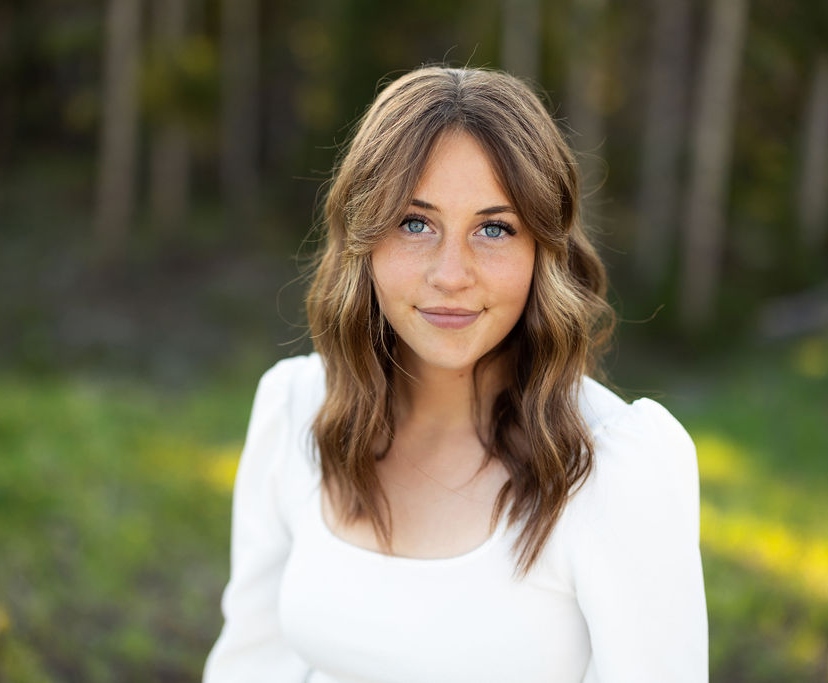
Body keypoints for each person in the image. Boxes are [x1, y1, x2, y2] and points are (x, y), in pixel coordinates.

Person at [203, 66, 707, 682]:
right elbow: (250, 665)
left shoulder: (612, 466)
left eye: (494, 229)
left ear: (543, 251)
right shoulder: (297, 409)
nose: (450, 274)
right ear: (364, 237)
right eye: (415, 223)